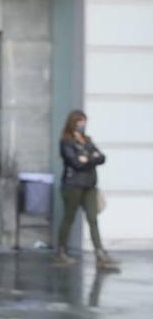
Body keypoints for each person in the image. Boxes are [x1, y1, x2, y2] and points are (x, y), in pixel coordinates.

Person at [55, 109, 119, 270]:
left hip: (89, 186)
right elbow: (75, 162)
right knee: (68, 218)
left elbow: (102, 157)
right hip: (72, 186)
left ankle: (100, 254)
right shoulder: (66, 141)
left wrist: (87, 159)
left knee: (93, 219)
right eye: (79, 123)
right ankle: (61, 252)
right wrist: (92, 158)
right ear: (73, 123)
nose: (82, 126)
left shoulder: (87, 140)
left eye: (84, 122)